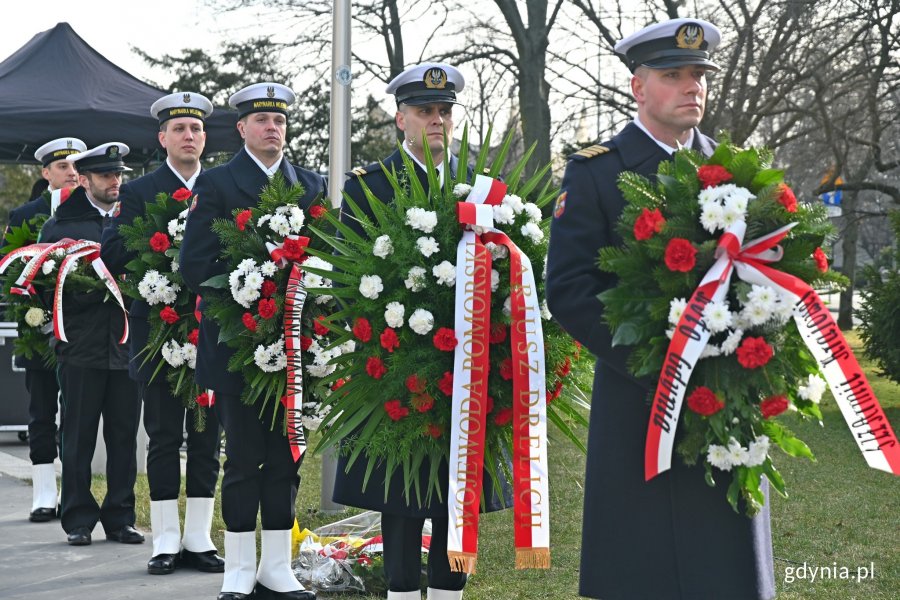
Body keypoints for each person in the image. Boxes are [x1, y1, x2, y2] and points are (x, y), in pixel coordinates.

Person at [545, 18, 776, 600]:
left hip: (726, 396)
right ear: (637, 87)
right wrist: (659, 357)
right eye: (673, 75)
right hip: (639, 398)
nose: (691, 86)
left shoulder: (734, 172)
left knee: (725, 567)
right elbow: (569, 288)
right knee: (642, 568)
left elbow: (770, 275)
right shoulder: (597, 171)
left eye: (698, 75)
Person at [332, 63, 511, 600]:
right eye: (425, 111)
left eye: (445, 111)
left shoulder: (477, 186)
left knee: (458, 492)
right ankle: (403, 592)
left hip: (472, 359)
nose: (437, 120)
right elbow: (346, 277)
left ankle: (450, 593)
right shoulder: (368, 187)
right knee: (400, 491)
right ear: (399, 118)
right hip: (396, 362)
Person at [179, 82, 325, 600]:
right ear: (241, 129)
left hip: (296, 348)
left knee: (288, 457)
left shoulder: (312, 184)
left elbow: (332, 259)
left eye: (279, 121)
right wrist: (254, 284)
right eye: (261, 121)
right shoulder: (217, 184)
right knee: (242, 457)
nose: (272, 129)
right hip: (238, 347)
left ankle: (276, 566)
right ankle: (239, 567)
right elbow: (194, 264)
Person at [100, 92, 224, 576]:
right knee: (165, 435)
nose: (189, 136)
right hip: (158, 333)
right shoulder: (138, 192)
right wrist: (165, 255)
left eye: (195, 129)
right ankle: (166, 538)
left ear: (205, 138)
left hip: (213, 333)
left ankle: (198, 537)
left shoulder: (222, 186)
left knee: (208, 438)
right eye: (179, 130)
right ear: (162, 138)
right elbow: (112, 254)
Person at [38, 142, 144, 547]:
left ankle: (120, 518)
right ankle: (78, 518)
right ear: (83, 181)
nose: (114, 181)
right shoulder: (61, 226)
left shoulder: (134, 217)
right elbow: (46, 289)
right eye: (105, 175)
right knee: (78, 436)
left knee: (123, 437)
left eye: (118, 174)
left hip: (124, 347)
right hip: (80, 347)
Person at [1, 137, 85, 523]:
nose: (70, 172)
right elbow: (8, 270)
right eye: (62, 166)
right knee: (40, 412)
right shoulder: (25, 215)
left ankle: (72, 492)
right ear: (45, 172)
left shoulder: (96, 212)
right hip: (37, 331)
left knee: (76, 413)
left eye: (75, 165)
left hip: (79, 332)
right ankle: (43, 493)